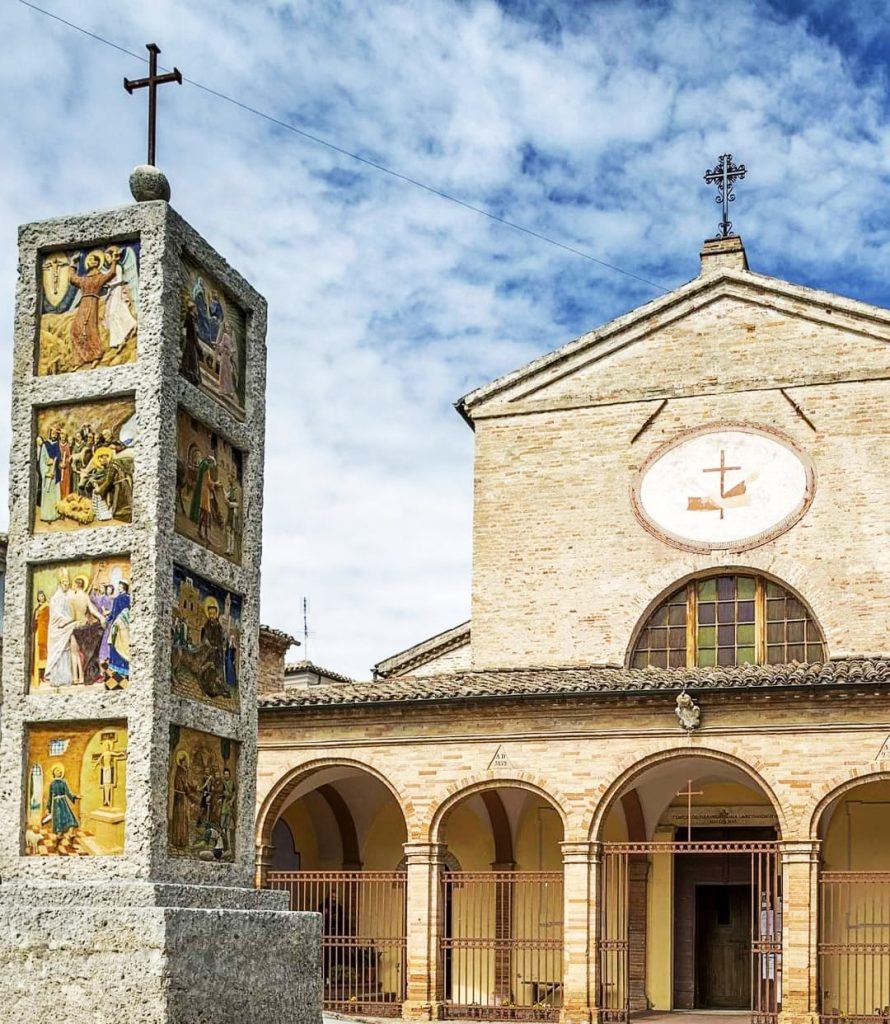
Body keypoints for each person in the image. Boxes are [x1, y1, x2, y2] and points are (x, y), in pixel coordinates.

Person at [68, 249, 118, 367]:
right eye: (88, 259)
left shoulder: (99, 277)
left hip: (92, 302)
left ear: (96, 263)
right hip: (83, 303)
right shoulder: (84, 279)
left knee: (90, 329)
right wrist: (72, 264)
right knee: (76, 329)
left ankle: (96, 356)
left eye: (91, 260)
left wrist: (114, 261)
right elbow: (72, 278)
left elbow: (111, 273)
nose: (88, 262)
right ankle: (80, 359)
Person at [69, 574, 106, 685]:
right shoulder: (85, 597)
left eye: (74, 585)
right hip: (84, 626)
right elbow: (93, 610)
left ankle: (76, 678)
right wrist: (101, 617)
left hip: (74, 626)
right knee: (83, 653)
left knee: (74, 653)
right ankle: (80, 678)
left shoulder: (71, 598)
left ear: (76, 585)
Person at [44, 571, 76, 688]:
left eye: (67, 582)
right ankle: (56, 678)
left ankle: (66, 678)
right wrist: (68, 620)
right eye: (64, 582)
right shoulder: (55, 598)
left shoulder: (68, 595)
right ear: (60, 583)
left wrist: (69, 620)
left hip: (65, 627)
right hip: (57, 629)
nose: (66, 584)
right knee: (58, 652)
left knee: (66, 651)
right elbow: (55, 615)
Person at [103, 245, 137, 349]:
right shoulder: (111, 269)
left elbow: (120, 280)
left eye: (109, 257)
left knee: (115, 312)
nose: (107, 260)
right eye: (106, 258)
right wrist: (108, 291)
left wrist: (110, 285)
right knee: (114, 314)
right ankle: (119, 340)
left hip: (118, 290)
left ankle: (130, 327)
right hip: (113, 292)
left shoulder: (117, 267)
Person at [106, 581, 131, 687]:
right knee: (113, 644)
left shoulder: (127, 598)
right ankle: (115, 666)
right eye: (119, 586)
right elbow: (113, 612)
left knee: (123, 645)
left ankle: (124, 668)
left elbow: (128, 611)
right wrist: (108, 619)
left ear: (124, 587)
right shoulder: (117, 599)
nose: (119, 588)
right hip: (116, 624)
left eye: (121, 586)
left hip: (123, 625)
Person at [91, 736, 127, 808]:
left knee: (108, 784)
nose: (107, 747)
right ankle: (106, 800)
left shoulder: (110, 753)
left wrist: (122, 753)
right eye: (106, 746)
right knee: (105, 784)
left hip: (109, 769)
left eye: (108, 746)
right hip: (104, 769)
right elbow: (99, 760)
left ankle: (107, 799)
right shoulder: (104, 754)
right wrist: (95, 765)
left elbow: (117, 754)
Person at [189, 454, 217, 541]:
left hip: (202, 491)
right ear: (210, 462)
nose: (212, 467)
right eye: (212, 465)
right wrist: (216, 484)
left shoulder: (202, 465)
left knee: (204, 514)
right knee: (205, 513)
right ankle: (203, 533)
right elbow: (208, 482)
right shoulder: (206, 468)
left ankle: (201, 531)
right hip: (204, 493)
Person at [45, 765, 79, 836]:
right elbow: (50, 797)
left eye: (60, 771)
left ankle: (70, 835)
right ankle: (58, 837)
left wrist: (75, 797)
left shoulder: (63, 782)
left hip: (64, 803)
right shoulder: (52, 783)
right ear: (54, 773)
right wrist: (48, 808)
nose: (59, 772)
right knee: (59, 820)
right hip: (56, 805)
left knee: (70, 817)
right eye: (57, 770)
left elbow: (68, 793)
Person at [36, 429, 62, 523]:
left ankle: (55, 515)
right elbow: (42, 461)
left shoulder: (57, 444)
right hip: (48, 474)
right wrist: (47, 472)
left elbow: (59, 457)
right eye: (53, 433)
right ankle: (47, 516)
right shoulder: (45, 445)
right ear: (50, 433)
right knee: (47, 495)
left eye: (56, 434)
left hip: (55, 473)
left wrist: (56, 462)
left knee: (55, 495)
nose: (54, 435)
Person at [170, 751, 194, 850]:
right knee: (181, 817)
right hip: (181, 797)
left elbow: (187, 784)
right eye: (185, 762)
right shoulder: (181, 771)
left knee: (181, 818)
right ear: (182, 762)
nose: (186, 764)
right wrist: (192, 796)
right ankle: (180, 841)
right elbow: (184, 785)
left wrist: (194, 787)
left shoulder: (181, 771)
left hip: (179, 796)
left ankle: (179, 840)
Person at [32, 590, 49, 686]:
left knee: (46, 653)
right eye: (39, 596)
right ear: (38, 598)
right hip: (38, 633)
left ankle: (45, 675)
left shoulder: (47, 606)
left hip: (45, 633)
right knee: (38, 654)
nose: (41, 598)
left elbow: (48, 619)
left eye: (42, 596)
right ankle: (39, 676)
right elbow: (34, 621)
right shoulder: (37, 608)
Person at [219, 768, 236, 850]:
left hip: (229, 805)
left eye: (227, 774)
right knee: (222, 824)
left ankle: (228, 845)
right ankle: (222, 843)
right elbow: (221, 792)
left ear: (229, 775)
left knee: (228, 825)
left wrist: (232, 801)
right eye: (225, 774)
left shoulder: (232, 783)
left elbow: (234, 793)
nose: (226, 775)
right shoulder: (223, 783)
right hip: (224, 804)